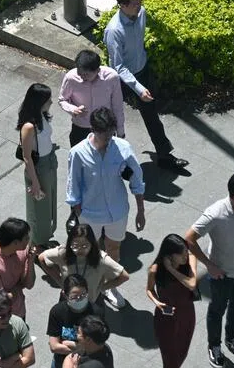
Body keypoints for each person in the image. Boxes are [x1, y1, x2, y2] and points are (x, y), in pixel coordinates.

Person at [65, 106, 145, 309]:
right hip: (89, 213)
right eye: (105, 133)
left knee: (113, 250)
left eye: (111, 132)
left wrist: (141, 210)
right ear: (93, 129)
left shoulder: (123, 147)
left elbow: (137, 178)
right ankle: (83, 287)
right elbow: (72, 183)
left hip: (117, 211)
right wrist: (77, 210)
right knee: (87, 252)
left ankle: (108, 286)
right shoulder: (78, 153)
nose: (109, 137)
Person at [184, 172, 234, 368]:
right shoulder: (215, 214)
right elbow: (188, 238)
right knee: (217, 310)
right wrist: (209, 265)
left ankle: (232, 339)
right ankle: (214, 345)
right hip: (222, 274)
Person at [102, 0, 186, 170]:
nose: (139, 5)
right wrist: (138, 89)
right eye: (134, 3)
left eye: (139, 1)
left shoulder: (141, 14)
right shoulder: (114, 30)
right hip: (121, 80)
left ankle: (164, 155)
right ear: (122, 6)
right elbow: (118, 66)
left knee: (151, 115)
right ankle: (108, 158)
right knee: (112, 119)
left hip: (142, 70)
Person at [146, 234, 198, 368]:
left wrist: (172, 270)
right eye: (181, 254)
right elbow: (149, 290)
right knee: (171, 364)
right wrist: (157, 303)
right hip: (166, 320)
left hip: (186, 316)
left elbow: (192, 284)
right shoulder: (155, 270)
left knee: (182, 354)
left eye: (185, 251)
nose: (185, 256)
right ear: (170, 254)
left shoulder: (190, 260)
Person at [37, 222, 129, 305]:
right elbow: (42, 258)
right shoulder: (63, 253)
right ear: (69, 244)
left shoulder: (101, 259)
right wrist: (59, 280)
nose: (80, 250)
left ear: (92, 244)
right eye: (75, 246)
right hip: (67, 301)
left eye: (85, 246)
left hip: (91, 303)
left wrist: (101, 288)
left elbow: (124, 276)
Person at [16, 83, 60, 247]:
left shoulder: (42, 116)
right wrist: (35, 182)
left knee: (48, 203)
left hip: (48, 162)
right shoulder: (28, 127)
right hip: (39, 168)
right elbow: (27, 157)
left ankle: (43, 238)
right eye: (48, 100)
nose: (51, 102)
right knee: (39, 207)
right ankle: (36, 243)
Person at [58, 49, 127, 148]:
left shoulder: (112, 77)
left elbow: (117, 106)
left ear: (97, 70)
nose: (82, 77)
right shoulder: (71, 78)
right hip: (81, 127)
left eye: (86, 74)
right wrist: (73, 109)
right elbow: (62, 100)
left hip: (105, 128)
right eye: (79, 73)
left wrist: (120, 132)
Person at [0, 217, 36, 319]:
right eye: (26, 238)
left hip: (19, 313)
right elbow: (0, 301)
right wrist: (18, 287)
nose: (29, 240)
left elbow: (29, 284)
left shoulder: (22, 250)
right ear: (15, 243)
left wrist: (31, 261)